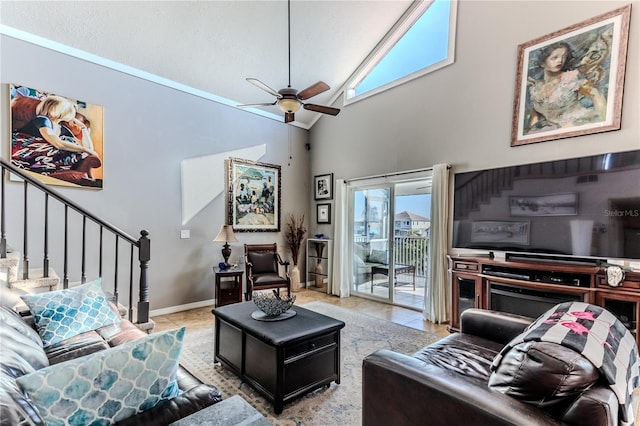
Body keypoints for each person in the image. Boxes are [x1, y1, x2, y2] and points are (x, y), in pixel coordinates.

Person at [525, 41, 606, 134]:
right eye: (554, 57)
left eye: (563, 57)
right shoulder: (536, 87)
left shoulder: (570, 77)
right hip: (551, 128)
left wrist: (604, 120)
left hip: (577, 122)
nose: (560, 61)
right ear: (542, 63)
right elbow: (536, 114)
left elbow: (596, 94)